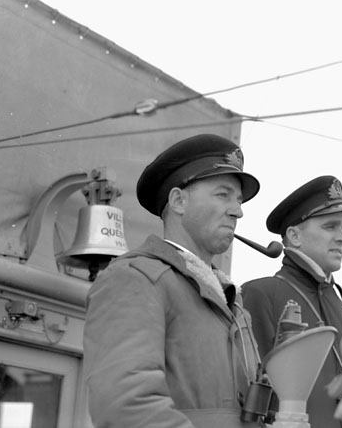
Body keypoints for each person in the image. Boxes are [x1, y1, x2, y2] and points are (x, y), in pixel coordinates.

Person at [83, 134, 267, 428]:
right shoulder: (135, 279)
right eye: (223, 195)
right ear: (179, 201)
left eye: (239, 200)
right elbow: (126, 406)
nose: (238, 210)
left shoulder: (233, 305)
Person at [241, 175, 342, 428]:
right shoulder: (260, 293)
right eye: (330, 227)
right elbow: (248, 393)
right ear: (294, 236)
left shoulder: (337, 301)